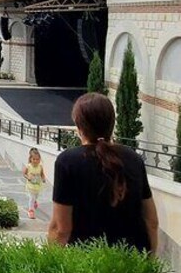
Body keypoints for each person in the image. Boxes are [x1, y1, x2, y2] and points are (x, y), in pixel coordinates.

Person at [48, 93, 159, 253]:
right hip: (132, 264)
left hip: (87, 264)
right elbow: (151, 221)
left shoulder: (68, 162)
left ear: (79, 126)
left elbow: (60, 229)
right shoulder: (133, 159)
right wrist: (149, 261)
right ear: (111, 124)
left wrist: (50, 266)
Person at [23, 148, 46, 219]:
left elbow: (42, 174)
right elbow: (24, 174)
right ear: (30, 159)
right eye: (34, 159)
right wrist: (27, 177)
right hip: (30, 186)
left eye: (37, 159)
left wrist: (43, 178)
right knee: (32, 197)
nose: (35, 161)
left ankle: (35, 201)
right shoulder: (28, 166)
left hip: (37, 186)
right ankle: (31, 211)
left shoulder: (40, 167)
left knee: (35, 197)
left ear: (40, 159)